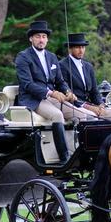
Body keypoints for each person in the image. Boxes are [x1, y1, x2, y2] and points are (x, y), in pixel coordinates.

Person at [15, 20, 92, 163]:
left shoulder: (51, 57)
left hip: (52, 98)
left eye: (44, 36)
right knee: (57, 115)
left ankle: (81, 155)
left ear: (47, 39)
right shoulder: (23, 57)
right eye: (38, 36)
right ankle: (64, 158)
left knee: (81, 115)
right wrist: (51, 93)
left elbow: (60, 82)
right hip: (33, 99)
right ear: (31, 38)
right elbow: (27, 84)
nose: (41, 40)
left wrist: (68, 91)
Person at [59, 33, 111, 119]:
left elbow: (94, 91)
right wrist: (89, 107)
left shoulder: (88, 66)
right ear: (70, 49)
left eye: (83, 47)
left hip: (92, 105)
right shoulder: (62, 66)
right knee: (92, 117)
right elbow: (65, 91)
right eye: (77, 47)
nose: (81, 50)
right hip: (74, 106)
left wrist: (101, 104)